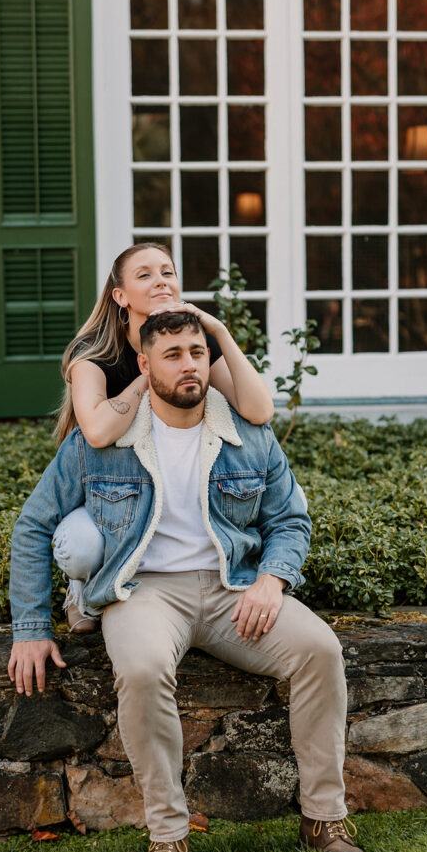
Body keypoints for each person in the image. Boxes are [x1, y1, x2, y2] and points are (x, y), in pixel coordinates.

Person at [8, 310, 364, 852]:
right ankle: (167, 836)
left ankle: (324, 819)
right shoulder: (101, 441)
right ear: (145, 365)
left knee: (320, 650)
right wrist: (30, 628)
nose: (189, 365)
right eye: (172, 355)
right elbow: (32, 525)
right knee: (144, 670)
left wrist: (272, 580)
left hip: (234, 589)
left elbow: (291, 521)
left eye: (197, 353)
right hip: (143, 592)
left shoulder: (248, 434)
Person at [51, 242, 274, 634]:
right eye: (145, 275)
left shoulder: (198, 342)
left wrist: (217, 329)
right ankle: (82, 588)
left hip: (168, 488)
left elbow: (258, 411)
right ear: (120, 296)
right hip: (107, 496)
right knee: (84, 544)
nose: (161, 282)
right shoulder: (94, 354)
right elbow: (99, 431)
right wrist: (153, 370)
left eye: (167, 272)